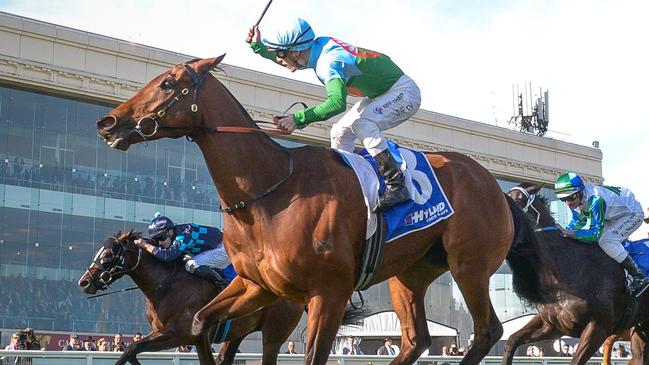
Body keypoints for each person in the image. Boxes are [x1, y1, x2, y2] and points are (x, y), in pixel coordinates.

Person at [246, 18, 421, 209]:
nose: (279, 60)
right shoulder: (316, 47)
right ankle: (348, 184)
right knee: (339, 132)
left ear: (296, 51)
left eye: (280, 54)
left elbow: (337, 103)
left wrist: (298, 119)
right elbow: (292, 59)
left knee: (363, 125)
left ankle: (397, 185)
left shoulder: (328, 62)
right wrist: (259, 47)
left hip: (403, 93)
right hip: (381, 94)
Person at [554, 172, 649, 295]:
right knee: (601, 242)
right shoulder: (576, 200)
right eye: (563, 199)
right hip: (612, 216)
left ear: (580, 191)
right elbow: (578, 221)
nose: (568, 202)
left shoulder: (595, 200)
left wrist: (572, 234)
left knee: (606, 241)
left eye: (571, 197)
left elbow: (595, 233)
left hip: (632, 213)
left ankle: (638, 275)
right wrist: (561, 234)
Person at [134, 213, 229, 289]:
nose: (159, 243)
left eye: (160, 238)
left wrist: (145, 245)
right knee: (184, 260)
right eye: (156, 240)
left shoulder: (183, 235)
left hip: (224, 248)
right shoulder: (176, 234)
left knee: (191, 264)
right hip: (213, 249)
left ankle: (223, 284)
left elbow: (168, 256)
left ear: (170, 232)